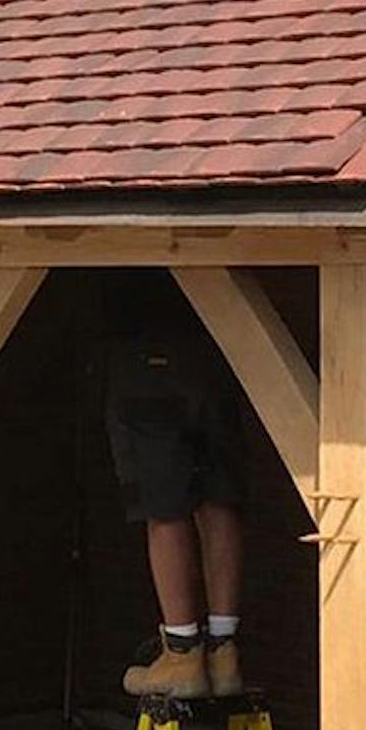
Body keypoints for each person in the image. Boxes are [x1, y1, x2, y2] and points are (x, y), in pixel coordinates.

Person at [101, 291, 248, 703]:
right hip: (219, 335)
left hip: (145, 339)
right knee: (218, 495)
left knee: (163, 503)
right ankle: (224, 651)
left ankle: (183, 653)